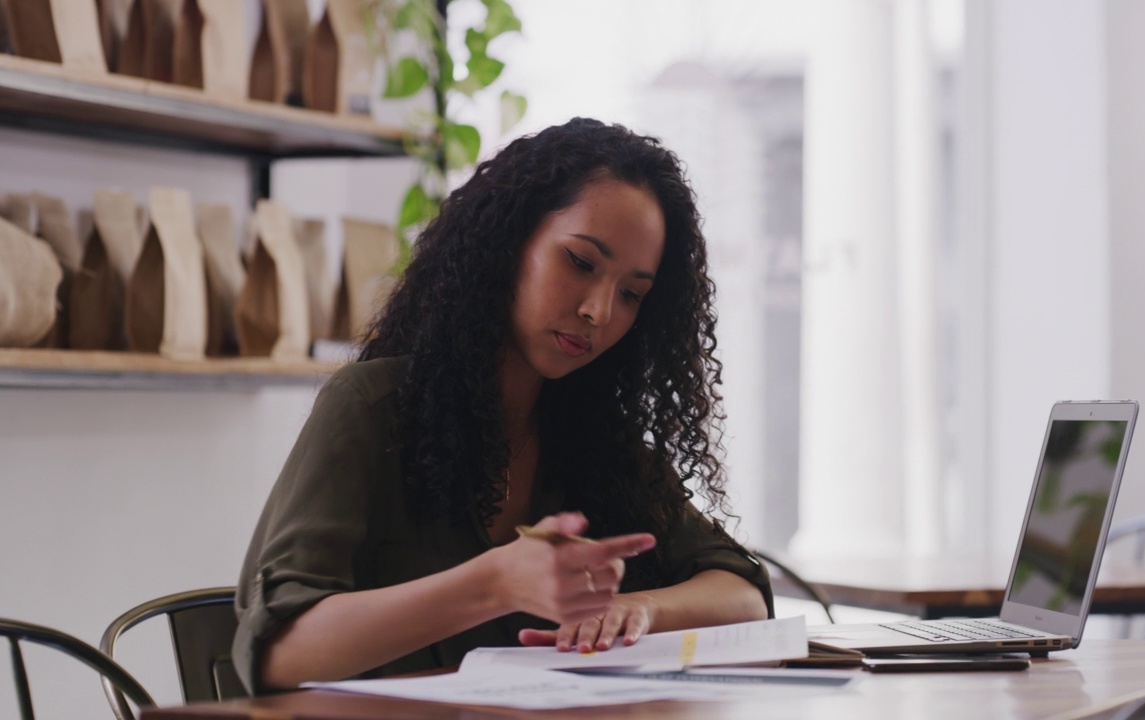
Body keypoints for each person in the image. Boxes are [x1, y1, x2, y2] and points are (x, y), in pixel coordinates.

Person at [231, 117, 773, 693]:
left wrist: (638, 609)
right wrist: (495, 584)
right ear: (509, 243)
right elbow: (276, 655)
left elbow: (742, 591)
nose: (599, 311)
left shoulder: (593, 441)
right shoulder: (371, 407)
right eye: (581, 263)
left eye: (631, 293)